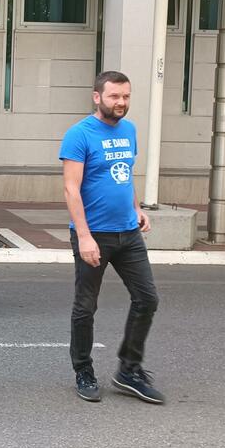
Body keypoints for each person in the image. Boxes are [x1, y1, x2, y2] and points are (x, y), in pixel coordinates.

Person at [60, 71, 164, 405]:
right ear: (97, 97)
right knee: (85, 306)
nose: (121, 103)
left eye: (126, 97)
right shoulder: (79, 134)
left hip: (128, 233)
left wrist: (136, 208)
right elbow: (71, 189)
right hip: (94, 235)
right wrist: (84, 237)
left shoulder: (129, 130)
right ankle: (83, 371)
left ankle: (128, 370)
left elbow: (125, 174)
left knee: (147, 298)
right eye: (114, 96)